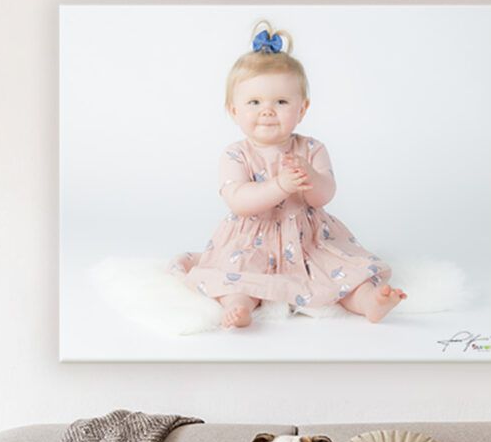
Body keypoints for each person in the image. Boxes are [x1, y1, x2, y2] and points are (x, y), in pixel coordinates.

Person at [174, 21, 406, 328]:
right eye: (254, 102)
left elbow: (324, 195)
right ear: (233, 110)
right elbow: (239, 201)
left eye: (281, 102)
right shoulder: (235, 154)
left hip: (307, 239)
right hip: (250, 239)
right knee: (238, 274)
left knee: (338, 270)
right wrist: (280, 185)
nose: (267, 111)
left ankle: (368, 301)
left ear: (302, 109)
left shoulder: (311, 149)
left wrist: (311, 178)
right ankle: (238, 306)